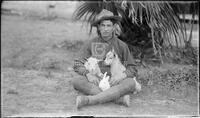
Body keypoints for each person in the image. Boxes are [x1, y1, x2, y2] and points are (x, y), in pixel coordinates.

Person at [72, 9, 141, 109]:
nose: (106, 29)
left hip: (115, 82)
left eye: (109, 26)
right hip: (96, 81)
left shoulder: (121, 45)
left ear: (113, 27)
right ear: (99, 27)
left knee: (130, 83)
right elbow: (78, 63)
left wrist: (120, 76)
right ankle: (118, 98)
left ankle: (88, 100)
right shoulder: (91, 43)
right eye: (103, 25)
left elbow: (132, 68)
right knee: (76, 80)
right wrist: (88, 74)